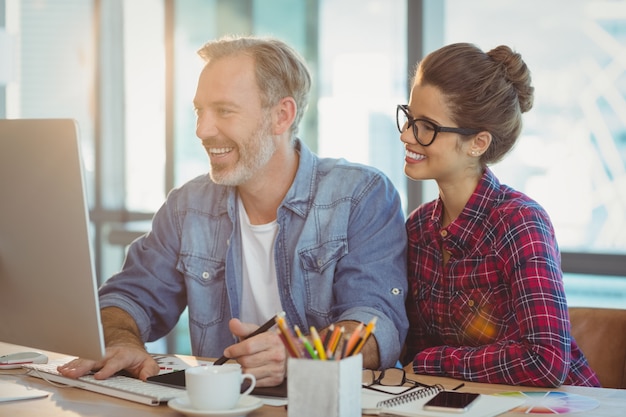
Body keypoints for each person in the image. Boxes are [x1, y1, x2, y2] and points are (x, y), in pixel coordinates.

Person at [57, 35, 408, 387]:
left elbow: (375, 325)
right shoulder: (187, 206)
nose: (202, 130)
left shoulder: (361, 196)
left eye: (224, 111)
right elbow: (129, 297)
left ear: (281, 116)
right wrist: (121, 340)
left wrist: (299, 355)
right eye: (199, 111)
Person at [399, 43, 600, 387]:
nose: (406, 135)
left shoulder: (520, 222)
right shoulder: (418, 228)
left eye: (426, 127)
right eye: (409, 118)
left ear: (477, 142)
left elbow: (546, 361)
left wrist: (433, 361)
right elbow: (414, 352)